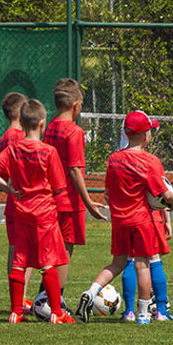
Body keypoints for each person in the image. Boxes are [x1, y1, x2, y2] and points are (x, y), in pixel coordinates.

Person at [0, 99, 73, 324]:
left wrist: (9, 187)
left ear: (21, 122)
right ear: (43, 123)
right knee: (48, 260)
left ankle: (16, 311)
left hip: (21, 212)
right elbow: (59, 186)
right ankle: (56, 312)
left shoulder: (13, 149)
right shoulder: (48, 152)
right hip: (44, 214)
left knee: (19, 260)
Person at [88, 111, 173, 325]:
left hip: (119, 221)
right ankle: (147, 312)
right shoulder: (150, 161)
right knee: (145, 264)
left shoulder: (113, 159)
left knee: (123, 263)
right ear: (146, 135)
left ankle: (120, 307)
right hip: (143, 219)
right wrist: (172, 204)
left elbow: (108, 193)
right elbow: (163, 194)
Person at [44, 77, 107, 309]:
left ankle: (45, 298)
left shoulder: (50, 127)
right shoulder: (74, 131)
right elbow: (75, 170)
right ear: (76, 105)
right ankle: (55, 302)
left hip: (50, 198)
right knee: (63, 253)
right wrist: (89, 202)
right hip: (68, 201)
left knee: (51, 252)